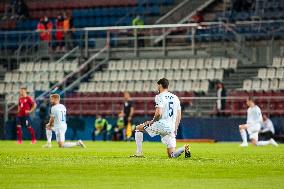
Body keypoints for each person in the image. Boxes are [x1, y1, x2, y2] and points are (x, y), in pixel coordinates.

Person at [131, 78, 191, 158]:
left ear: (160, 85)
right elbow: (179, 115)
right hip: (171, 128)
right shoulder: (175, 97)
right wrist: (175, 128)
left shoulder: (159, 96)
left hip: (161, 125)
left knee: (138, 128)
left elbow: (158, 113)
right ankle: (184, 148)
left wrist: (152, 122)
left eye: (157, 86)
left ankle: (139, 153)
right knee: (172, 155)